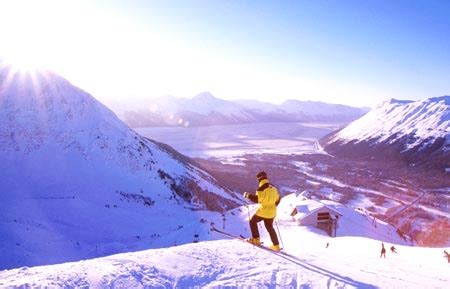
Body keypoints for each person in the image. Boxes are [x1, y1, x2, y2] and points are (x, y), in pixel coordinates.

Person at [243, 171, 281, 251]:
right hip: (272, 212)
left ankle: (256, 240)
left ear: (259, 179)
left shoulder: (261, 189)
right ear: (266, 177)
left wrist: (248, 195)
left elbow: (257, 199)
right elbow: (278, 199)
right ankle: (276, 246)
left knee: (252, 221)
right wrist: (272, 206)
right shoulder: (274, 188)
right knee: (270, 228)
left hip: (263, 211)